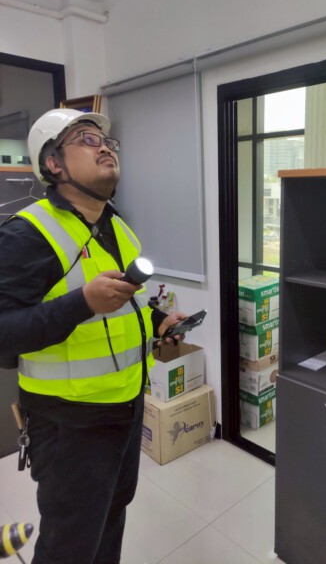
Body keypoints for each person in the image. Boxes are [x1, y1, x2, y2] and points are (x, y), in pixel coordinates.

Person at [0, 108, 186, 564]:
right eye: (86, 139)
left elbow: (122, 302)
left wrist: (157, 319)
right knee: (69, 544)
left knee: (110, 519)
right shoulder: (27, 235)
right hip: (69, 424)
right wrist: (82, 303)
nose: (104, 147)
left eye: (107, 141)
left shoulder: (117, 226)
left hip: (126, 408)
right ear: (53, 164)